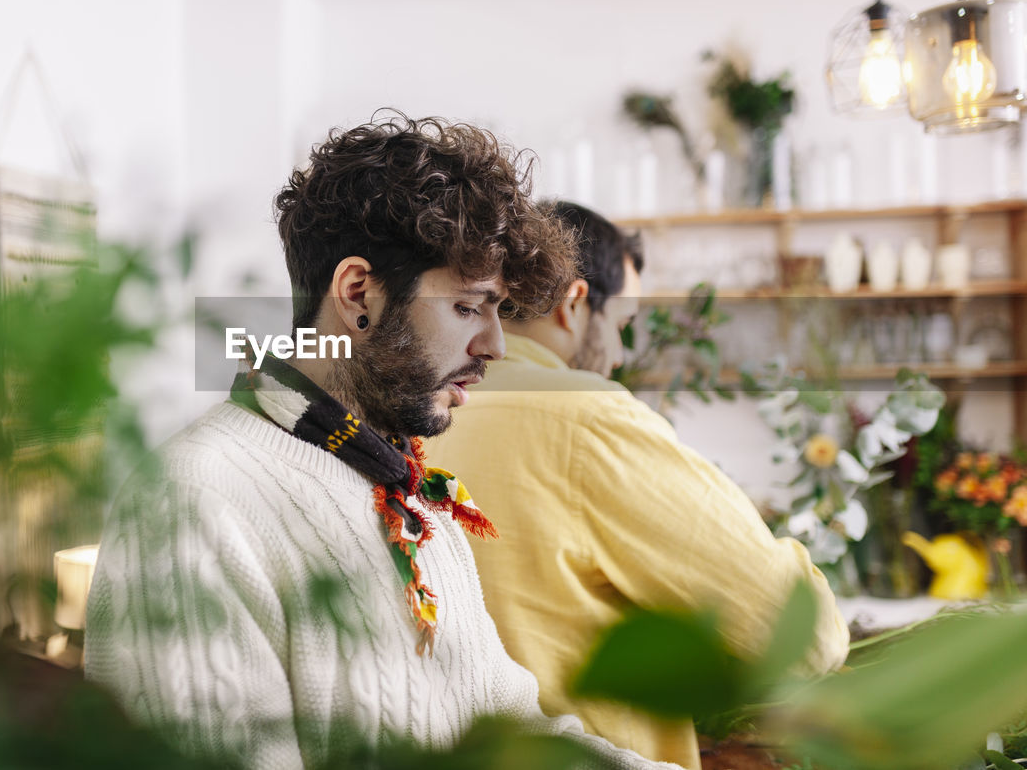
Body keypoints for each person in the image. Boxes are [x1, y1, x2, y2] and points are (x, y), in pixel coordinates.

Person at [84, 118, 676, 769]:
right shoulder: (191, 501)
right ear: (358, 295)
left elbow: (510, 733)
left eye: (498, 310)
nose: (495, 346)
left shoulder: (405, 493)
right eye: (467, 307)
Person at [424, 201, 849, 770]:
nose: (622, 353)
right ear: (575, 303)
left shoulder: (417, 409)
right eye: (623, 324)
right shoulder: (585, 418)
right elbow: (803, 638)